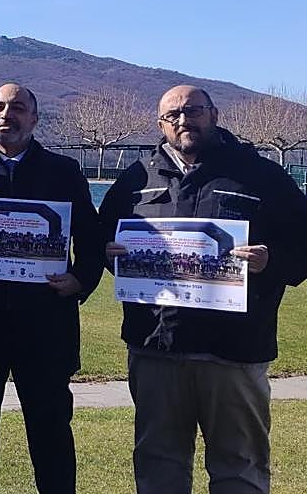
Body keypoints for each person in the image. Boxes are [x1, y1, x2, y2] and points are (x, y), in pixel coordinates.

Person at [99, 85, 307, 494]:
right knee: (159, 465)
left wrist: (272, 262)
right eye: (172, 115)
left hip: (234, 351)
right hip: (156, 347)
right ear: (160, 124)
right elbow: (102, 240)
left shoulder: (260, 174)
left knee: (239, 467)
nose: (183, 120)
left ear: (213, 114)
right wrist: (112, 254)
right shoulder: (137, 177)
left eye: (192, 111)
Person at [0, 83, 104, 494]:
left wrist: (80, 279)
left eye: (17, 108)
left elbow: (92, 239)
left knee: (50, 435)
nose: (6, 115)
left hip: (45, 325)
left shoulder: (64, 173)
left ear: (34, 119)